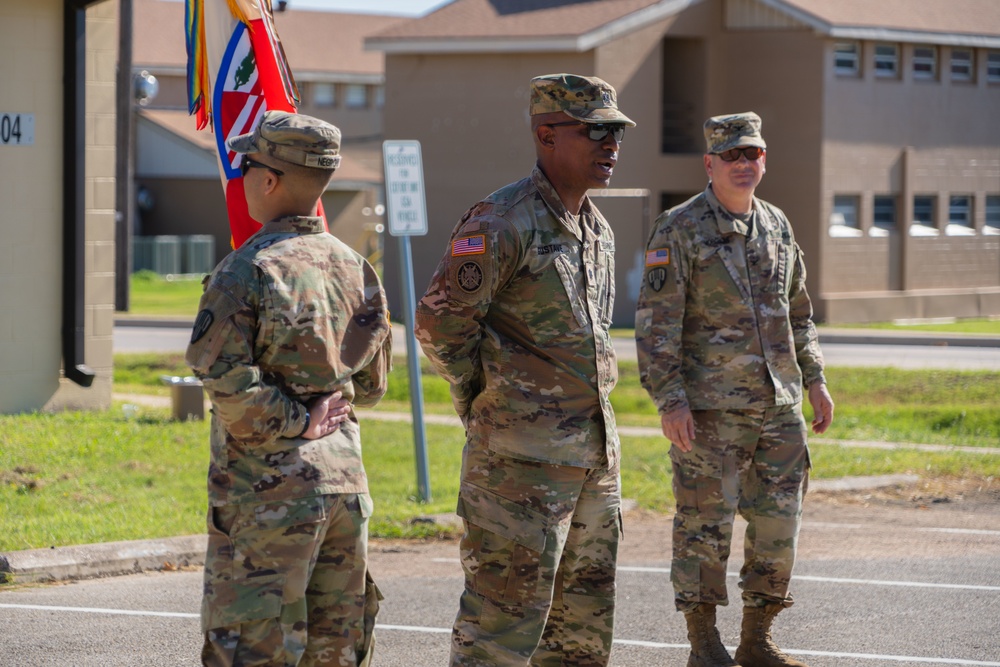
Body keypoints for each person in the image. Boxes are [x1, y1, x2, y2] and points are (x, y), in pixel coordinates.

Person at [414, 73, 635, 666]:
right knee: (501, 629)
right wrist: (482, 399)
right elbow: (439, 326)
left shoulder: (598, 231)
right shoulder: (502, 221)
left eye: (615, 132)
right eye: (595, 131)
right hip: (519, 463)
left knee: (580, 634)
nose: (611, 144)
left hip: (592, 457)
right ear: (546, 134)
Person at [186, 110, 391, 667]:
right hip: (345, 488)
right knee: (335, 648)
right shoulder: (358, 270)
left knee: (251, 649)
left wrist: (297, 421)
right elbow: (371, 387)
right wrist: (324, 403)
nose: (242, 177)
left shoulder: (246, 270)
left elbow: (224, 378)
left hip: (267, 496)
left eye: (247, 165)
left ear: (269, 180)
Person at [635, 112, 834, 667]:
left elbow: (799, 313)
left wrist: (815, 379)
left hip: (780, 408)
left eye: (753, 154)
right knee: (703, 527)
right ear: (710, 163)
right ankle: (703, 642)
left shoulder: (777, 224)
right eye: (733, 156)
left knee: (777, 525)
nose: (744, 164)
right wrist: (670, 401)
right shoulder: (679, 228)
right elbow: (656, 325)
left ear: (764, 160)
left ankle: (757, 638)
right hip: (709, 411)